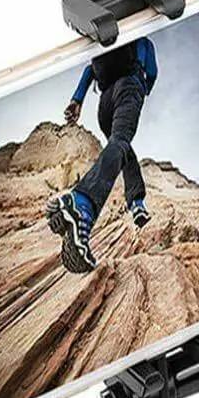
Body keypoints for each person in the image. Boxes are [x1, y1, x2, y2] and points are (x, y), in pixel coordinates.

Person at [46, 35, 158, 273]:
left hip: (104, 104)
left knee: (120, 146)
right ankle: (82, 202)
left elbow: (90, 70)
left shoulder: (106, 41)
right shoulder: (141, 39)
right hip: (128, 87)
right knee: (121, 142)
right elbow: (152, 72)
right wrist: (143, 87)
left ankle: (136, 203)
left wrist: (77, 100)